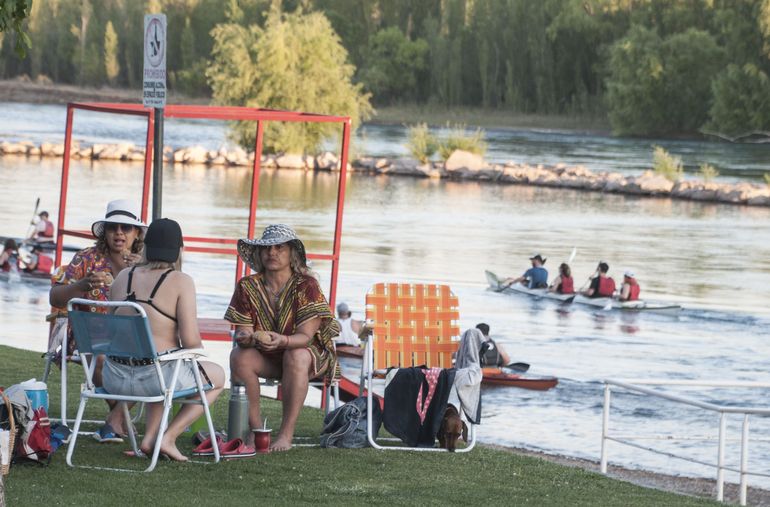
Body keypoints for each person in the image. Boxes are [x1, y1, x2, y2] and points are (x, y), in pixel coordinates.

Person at [104, 218, 225, 461]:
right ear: (180, 250)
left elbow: (113, 330)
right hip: (153, 379)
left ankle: (150, 439)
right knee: (218, 376)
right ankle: (168, 438)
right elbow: (191, 341)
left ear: (144, 247)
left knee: (161, 362)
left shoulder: (122, 276)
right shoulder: (181, 281)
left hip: (114, 379)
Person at [227, 224, 340, 452]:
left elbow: (306, 337)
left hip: (307, 356)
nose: (272, 252)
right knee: (239, 356)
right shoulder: (247, 286)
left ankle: (285, 434)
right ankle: (257, 430)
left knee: (295, 354)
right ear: (259, 253)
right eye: (267, 248)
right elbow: (243, 330)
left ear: (292, 254)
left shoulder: (306, 285)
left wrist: (281, 340)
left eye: (280, 247)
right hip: (266, 355)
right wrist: (246, 337)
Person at [49, 199, 146, 443]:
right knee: (100, 358)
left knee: (157, 358)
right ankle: (119, 418)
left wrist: (142, 273)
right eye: (113, 227)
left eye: (126, 228)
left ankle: (116, 419)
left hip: (132, 332)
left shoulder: (146, 263)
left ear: (137, 234)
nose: (119, 233)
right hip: (89, 331)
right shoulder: (86, 259)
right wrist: (80, 286)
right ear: (106, 232)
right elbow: (55, 296)